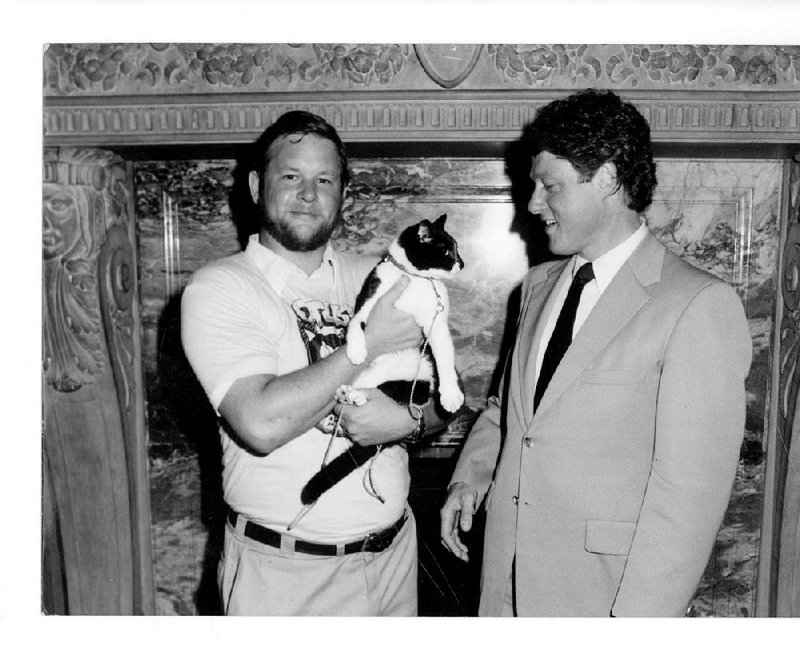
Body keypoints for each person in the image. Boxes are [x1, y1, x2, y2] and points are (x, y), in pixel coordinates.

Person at [440, 89, 752, 617]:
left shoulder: (698, 305)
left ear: (607, 178)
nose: (534, 203)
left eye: (550, 186)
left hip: (603, 601)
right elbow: (509, 415)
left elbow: (686, 505)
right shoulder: (535, 287)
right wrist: (469, 476)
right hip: (504, 589)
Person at [182, 110, 435, 616]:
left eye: (324, 180)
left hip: (394, 560)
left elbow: (447, 404)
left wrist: (406, 422)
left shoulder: (383, 278)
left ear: (343, 193)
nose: (307, 193)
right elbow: (260, 422)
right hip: (285, 575)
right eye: (291, 176)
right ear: (257, 186)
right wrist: (366, 344)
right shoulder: (221, 287)